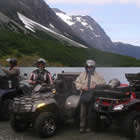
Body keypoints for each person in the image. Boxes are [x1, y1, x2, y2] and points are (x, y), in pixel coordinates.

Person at [75, 59, 106, 133]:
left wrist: (96, 85)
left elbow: (103, 83)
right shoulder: (82, 74)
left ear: (94, 67)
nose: (90, 68)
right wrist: (82, 87)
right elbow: (76, 83)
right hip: (84, 95)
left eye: (91, 67)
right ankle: (82, 127)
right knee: (82, 113)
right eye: (88, 67)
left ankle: (89, 127)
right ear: (86, 67)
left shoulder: (98, 75)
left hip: (93, 96)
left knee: (91, 113)